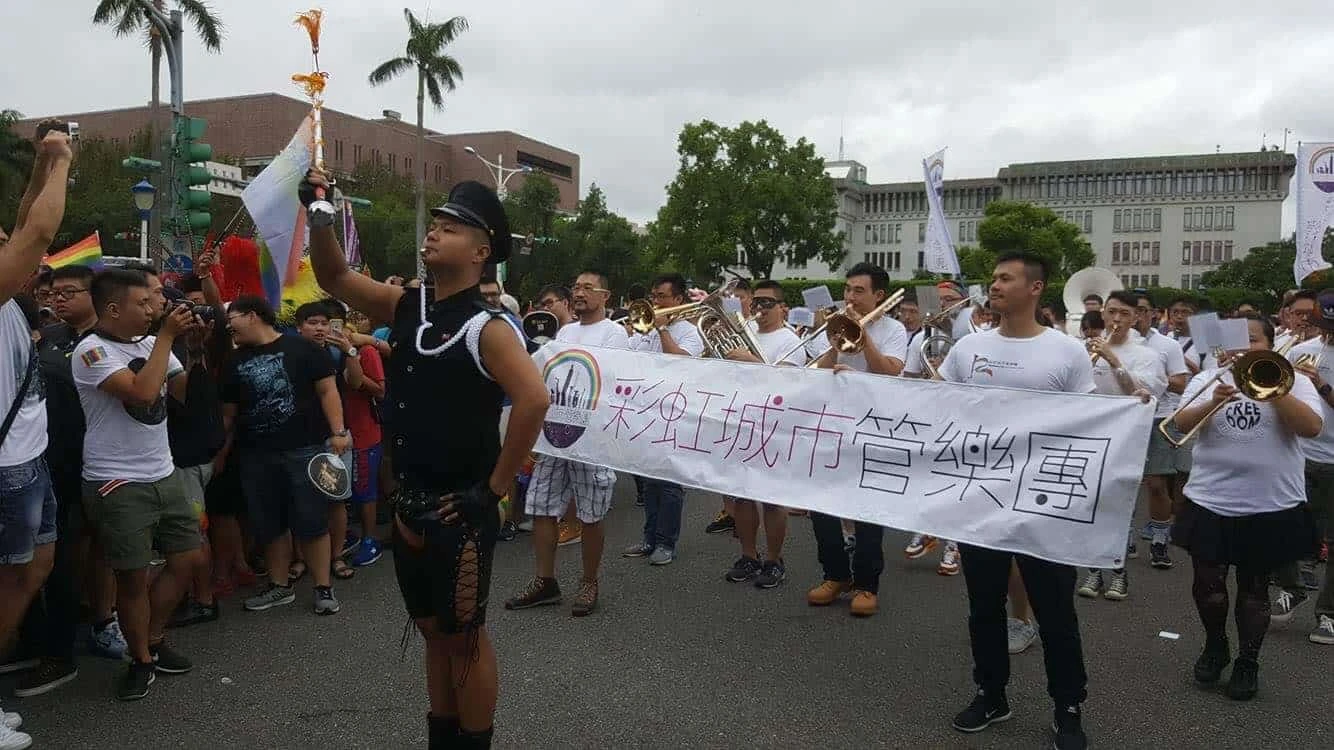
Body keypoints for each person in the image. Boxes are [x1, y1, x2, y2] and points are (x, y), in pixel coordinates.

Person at [305, 171, 548, 750]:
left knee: (465, 636)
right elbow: (335, 276)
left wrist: (492, 490)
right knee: (432, 631)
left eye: (450, 227)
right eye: (434, 225)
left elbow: (534, 400)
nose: (434, 233)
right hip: (410, 498)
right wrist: (319, 213)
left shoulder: (487, 328)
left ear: (482, 251)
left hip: (460, 506)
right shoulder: (406, 304)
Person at [934, 251, 1096, 750]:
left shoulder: (1067, 352)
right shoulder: (968, 347)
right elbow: (935, 404)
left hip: (1044, 501)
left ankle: (1067, 706)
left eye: (1006, 278)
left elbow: (1089, 422)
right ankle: (991, 692)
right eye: (994, 278)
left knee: (1055, 610)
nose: (995, 285)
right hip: (981, 499)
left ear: (1036, 288)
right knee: (984, 604)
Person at [1169, 315, 1322, 698]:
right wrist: (1212, 402)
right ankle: (1216, 644)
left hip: (1268, 503)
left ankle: (1248, 660)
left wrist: (1276, 389)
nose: (1243, 345)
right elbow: (1178, 426)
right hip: (1210, 499)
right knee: (1208, 584)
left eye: (1253, 339)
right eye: (1237, 338)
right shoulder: (1209, 378)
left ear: (1270, 345)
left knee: (1254, 589)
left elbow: (1312, 428)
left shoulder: (1295, 381)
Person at [72, 269, 206, 701]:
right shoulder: (91, 351)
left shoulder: (154, 343)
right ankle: (141, 660)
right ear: (114, 309)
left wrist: (197, 350)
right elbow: (143, 393)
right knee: (131, 578)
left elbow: (183, 393)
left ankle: (152, 636)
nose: (156, 307)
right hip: (116, 481)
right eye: (145, 302)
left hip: (163, 472)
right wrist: (166, 338)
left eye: (156, 300)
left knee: (187, 560)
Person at [220, 296, 349, 617]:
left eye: (231, 318)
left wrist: (338, 431)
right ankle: (279, 587)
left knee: (312, 521)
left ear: (252, 316)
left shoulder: (304, 349)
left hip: (305, 449)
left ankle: (323, 587)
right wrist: (220, 452)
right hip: (255, 454)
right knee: (270, 523)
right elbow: (229, 414)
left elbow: (328, 391)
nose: (228, 326)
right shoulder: (233, 361)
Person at [509, 271, 627, 613]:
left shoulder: (615, 334)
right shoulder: (565, 331)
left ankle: (589, 582)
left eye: (588, 288)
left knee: (591, 512)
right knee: (542, 506)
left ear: (606, 295)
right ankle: (545, 581)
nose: (579, 293)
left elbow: (613, 381)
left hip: (592, 436)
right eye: (576, 287)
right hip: (556, 433)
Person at [806, 262, 908, 618]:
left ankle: (866, 583)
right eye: (848, 289)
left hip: (874, 427)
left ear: (879, 295)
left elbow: (891, 372)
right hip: (834, 425)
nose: (849, 297)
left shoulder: (894, 329)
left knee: (867, 509)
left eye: (858, 291)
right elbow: (820, 371)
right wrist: (834, 341)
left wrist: (865, 339)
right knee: (821, 505)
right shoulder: (836, 323)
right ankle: (834, 574)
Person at [1075, 291, 1166, 601]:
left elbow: (1142, 394)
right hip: (1090, 434)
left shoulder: (1147, 355)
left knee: (1118, 505)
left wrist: (1114, 361)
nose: (1116, 319)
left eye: (1124, 314)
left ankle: (1118, 572)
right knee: (1089, 504)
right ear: (1103, 313)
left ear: (1135, 317)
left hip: (1127, 436)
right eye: (1111, 312)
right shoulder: (1083, 349)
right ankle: (1093, 570)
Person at [1272, 293, 1334, 644]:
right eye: (1324, 326)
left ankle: (1329, 614)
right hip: (1300, 453)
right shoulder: (1298, 351)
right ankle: (1291, 588)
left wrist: (1320, 385)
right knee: (1284, 525)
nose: (1328, 335)